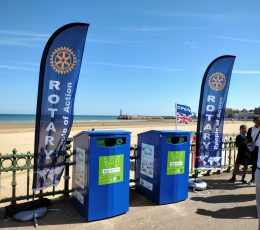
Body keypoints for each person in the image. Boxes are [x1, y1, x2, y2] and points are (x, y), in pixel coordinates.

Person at [247, 116, 260, 185]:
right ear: (254, 121)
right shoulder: (250, 129)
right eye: (257, 120)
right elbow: (248, 138)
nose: (258, 122)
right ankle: (253, 179)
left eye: (259, 120)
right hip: (255, 149)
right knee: (254, 164)